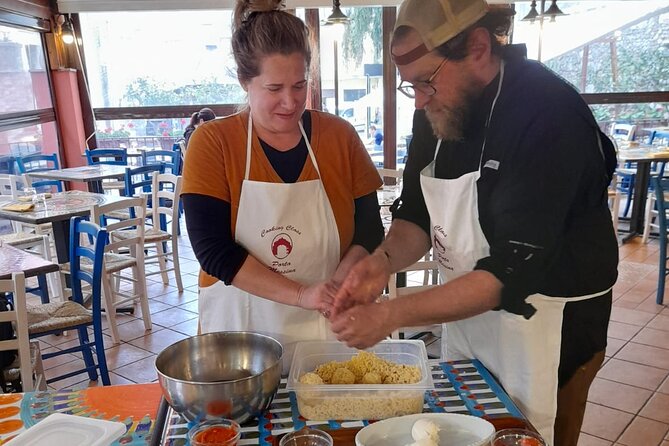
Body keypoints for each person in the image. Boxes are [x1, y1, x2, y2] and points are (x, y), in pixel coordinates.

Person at [330, 1, 618, 444]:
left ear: (479, 47)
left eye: (426, 81)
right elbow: (417, 216)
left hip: (550, 325)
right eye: (412, 87)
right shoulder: (438, 107)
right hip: (467, 311)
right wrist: (382, 262)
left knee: (530, 434)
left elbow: (510, 272)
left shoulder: (547, 115)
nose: (421, 99)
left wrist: (391, 315)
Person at [181, 0, 384, 371]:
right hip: (241, 343)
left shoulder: (339, 137)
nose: (290, 102)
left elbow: (370, 230)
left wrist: (337, 286)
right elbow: (212, 250)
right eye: (274, 88)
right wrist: (303, 294)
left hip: (326, 328)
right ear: (245, 81)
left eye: (300, 85)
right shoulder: (214, 142)